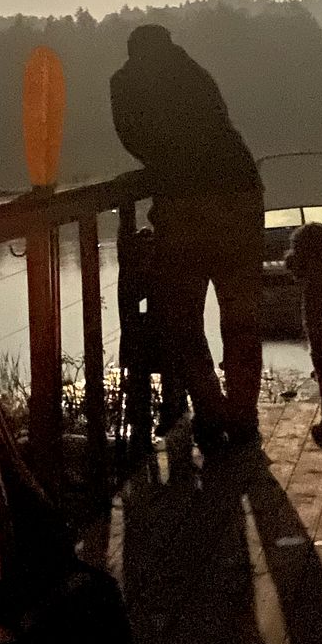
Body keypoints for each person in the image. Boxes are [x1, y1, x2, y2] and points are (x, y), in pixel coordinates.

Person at [110, 25, 264, 452]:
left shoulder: (125, 81)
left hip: (183, 202)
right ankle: (243, 415)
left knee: (183, 318)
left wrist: (161, 167)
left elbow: (134, 138)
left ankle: (211, 411)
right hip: (239, 192)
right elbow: (217, 119)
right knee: (240, 315)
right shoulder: (193, 71)